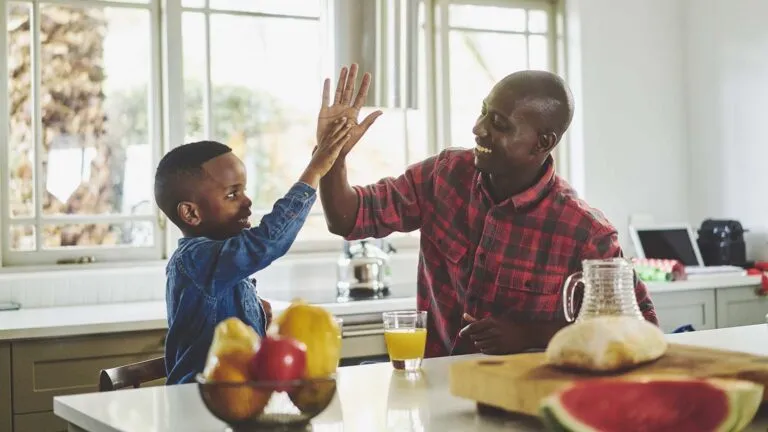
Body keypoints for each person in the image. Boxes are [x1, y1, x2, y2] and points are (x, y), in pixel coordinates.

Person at [317, 64, 658, 358]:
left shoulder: (585, 232)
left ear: (542, 143)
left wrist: (530, 335)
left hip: (523, 400)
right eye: (483, 112)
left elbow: (638, 330)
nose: (478, 128)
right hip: (436, 389)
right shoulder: (444, 175)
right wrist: (331, 154)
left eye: (499, 123)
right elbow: (348, 218)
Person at [154, 109, 355, 384]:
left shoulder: (217, 259)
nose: (247, 201)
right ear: (190, 214)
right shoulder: (193, 259)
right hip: (197, 409)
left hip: (236, 404)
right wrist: (315, 170)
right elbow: (264, 243)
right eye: (232, 194)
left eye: (244, 190)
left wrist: (256, 316)